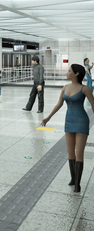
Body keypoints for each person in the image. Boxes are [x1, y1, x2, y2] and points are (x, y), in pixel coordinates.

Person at [41, 64, 94, 193]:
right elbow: (59, 104)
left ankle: (78, 184)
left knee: (79, 153)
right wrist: (48, 117)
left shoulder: (85, 88)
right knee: (70, 152)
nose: (67, 72)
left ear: (76, 74)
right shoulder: (65, 87)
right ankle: (73, 178)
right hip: (68, 121)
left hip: (81, 121)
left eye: (69, 71)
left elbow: (93, 105)